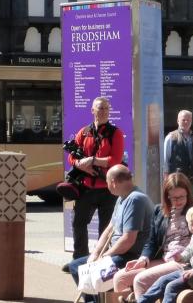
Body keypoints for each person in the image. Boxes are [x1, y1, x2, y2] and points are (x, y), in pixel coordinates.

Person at [67, 165, 154, 303]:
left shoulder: (135, 200)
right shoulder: (122, 198)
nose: (107, 186)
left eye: (107, 183)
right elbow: (109, 229)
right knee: (75, 266)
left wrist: (105, 257)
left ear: (113, 181)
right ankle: (93, 301)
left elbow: (128, 240)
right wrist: (96, 253)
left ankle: (98, 300)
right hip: (117, 253)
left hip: (131, 255)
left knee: (97, 273)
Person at [112, 172, 193, 301]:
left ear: (188, 194)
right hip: (165, 259)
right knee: (120, 278)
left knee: (141, 280)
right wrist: (143, 259)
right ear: (166, 196)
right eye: (173, 198)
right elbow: (151, 241)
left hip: (185, 261)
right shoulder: (159, 211)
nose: (178, 201)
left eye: (181, 197)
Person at [66, 97, 126, 267]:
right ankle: (79, 260)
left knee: (106, 228)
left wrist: (92, 160)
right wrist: (79, 164)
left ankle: (101, 262)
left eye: (106, 108)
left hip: (108, 189)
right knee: (78, 223)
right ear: (92, 110)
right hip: (86, 188)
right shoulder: (84, 132)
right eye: (100, 108)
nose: (104, 111)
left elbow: (115, 160)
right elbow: (72, 156)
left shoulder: (116, 133)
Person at [138, 204, 193, 303]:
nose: (189, 226)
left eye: (191, 224)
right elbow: (189, 250)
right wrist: (181, 257)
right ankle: (141, 301)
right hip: (189, 272)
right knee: (162, 280)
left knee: (171, 287)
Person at [164, 110, 193, 191]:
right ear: (178, 121)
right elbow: (165, 160)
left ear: (191, 121)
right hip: (177, 180)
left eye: (188, 120)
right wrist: (166, 177)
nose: (186, 122)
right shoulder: (171, 137)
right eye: (183, 120)